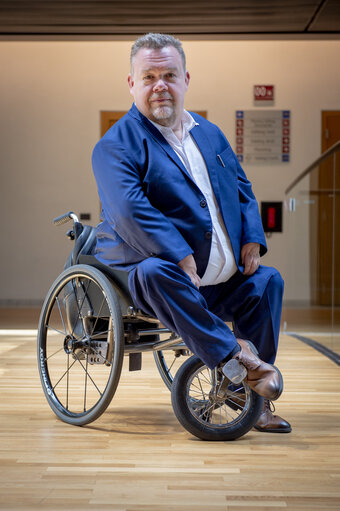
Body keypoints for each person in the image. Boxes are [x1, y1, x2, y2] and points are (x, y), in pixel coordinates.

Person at [92, 33, 291, 433]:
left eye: (169, 74)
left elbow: (241, 186)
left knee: (268, 281)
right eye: (149, 77)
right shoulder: (115, 145)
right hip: (166, 280)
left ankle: (247, 402)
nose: (160, 85)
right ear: (132, 84)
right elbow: (130, 210)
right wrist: (179, 254)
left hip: (219, 279)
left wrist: (252, 235)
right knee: (152, 271)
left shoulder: (211, 133)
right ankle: (241, 357)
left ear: (186, 79)